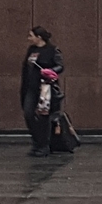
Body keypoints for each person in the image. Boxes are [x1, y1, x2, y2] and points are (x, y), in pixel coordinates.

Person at [21, 26, 64, 157]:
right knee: (28, 114)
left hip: (46, 88)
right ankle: (37, 141)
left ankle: (44, 145)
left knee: (43, 117)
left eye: (31, 36)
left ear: (39, 37)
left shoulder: (52, 50)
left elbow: (60, 66)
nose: (29, 38)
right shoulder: (32, 50)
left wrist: (52, 71)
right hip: (31, 87)